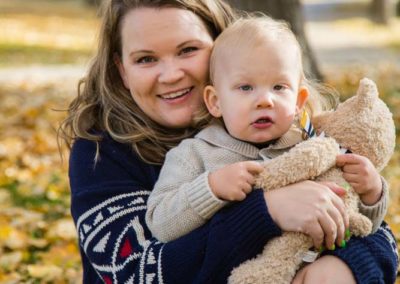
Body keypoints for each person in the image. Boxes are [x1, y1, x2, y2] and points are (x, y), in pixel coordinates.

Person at [58, 0, 398, 283]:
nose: (171, 73)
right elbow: (134, 273)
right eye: (146, 59)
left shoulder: (292, 129)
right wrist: (267, 211)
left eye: (188, 49)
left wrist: (340, 266)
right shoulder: (101, 153)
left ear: (222, 43)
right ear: (122, 69)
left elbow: (380, 238)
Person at [146, 15, 388, 248]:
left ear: (298, 101)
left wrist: (371, 193)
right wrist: (211, 188)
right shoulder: (194, 154)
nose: (264, 100)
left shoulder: (312, 145)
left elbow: (359, 225)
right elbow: (160, 224)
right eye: (245, 87)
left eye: (278, 87)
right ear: (215, 101)